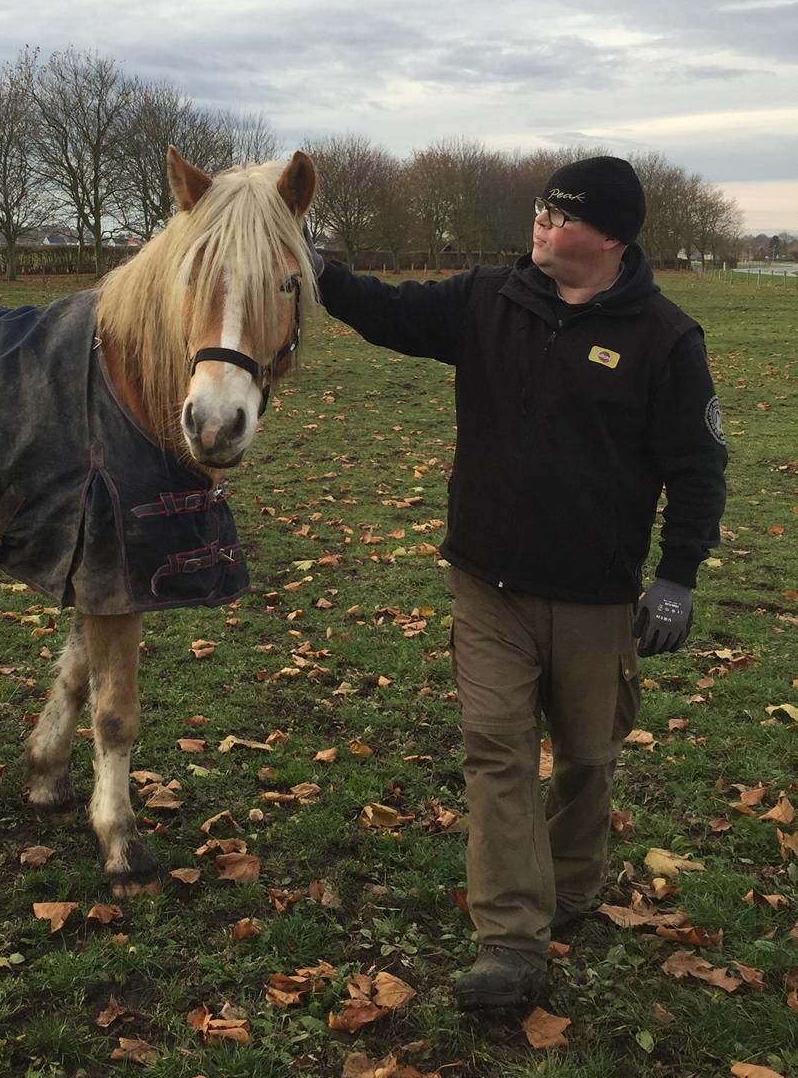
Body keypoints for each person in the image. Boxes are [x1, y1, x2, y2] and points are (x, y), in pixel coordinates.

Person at [310, 156, 727, 1011]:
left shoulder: (666, 339)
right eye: (542, 207)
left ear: (610, 237)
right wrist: (323, 274)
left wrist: (677, 576)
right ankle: (509, 942)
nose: (541, 223)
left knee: (586, 757)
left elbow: (699, 468)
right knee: (495, 751)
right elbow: (391, 311)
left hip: (597, 596)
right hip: (487, 583)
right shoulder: (487, 298)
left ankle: (570, 887)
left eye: (561, 214)